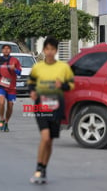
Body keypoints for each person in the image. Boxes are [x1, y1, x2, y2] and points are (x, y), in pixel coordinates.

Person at [28, 36, 74, 184]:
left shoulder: (63, 67)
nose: (49, 52)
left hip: (57, 107)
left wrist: (63, 86)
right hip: (41, 105)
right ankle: (38, 167)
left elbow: (71, 85)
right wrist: (32, 91)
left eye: (52, 49)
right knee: (45, 137)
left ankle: (43, 168)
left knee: (50, 142)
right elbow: (31, 83)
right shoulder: (38, 67)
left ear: (55, 50)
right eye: (47, 49)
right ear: (44, 50)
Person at [0, 44, 21, 132]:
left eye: (8, 49)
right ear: (2, 50)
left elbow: (19, 72)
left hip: (11, 86)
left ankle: (6, 122)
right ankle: (1, 119)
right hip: (0, 84)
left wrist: (14, 69)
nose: (6, 50)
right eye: (4, 49)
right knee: (1, 102)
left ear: (10, 51)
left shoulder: (15, 60)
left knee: (10, 105)